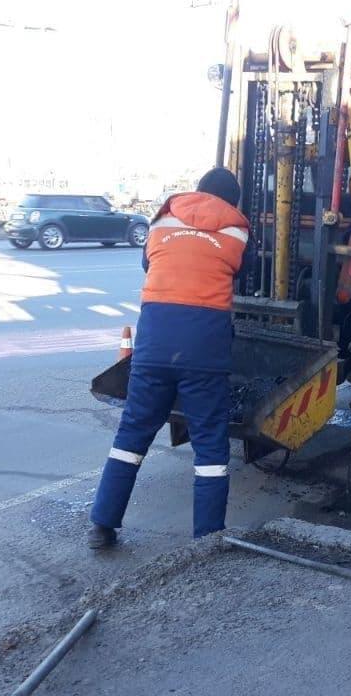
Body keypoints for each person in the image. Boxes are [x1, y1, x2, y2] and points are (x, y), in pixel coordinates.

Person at [87, 168, 250, 549]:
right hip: (204, 351)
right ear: (232, 200)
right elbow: (247, 270)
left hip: (153, 346)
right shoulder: (238, 230)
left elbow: (149, 264)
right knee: (210, 445)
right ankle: (207, 540)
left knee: (132, 435)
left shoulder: (163, 220)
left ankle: (103, 525)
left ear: (199, 191)